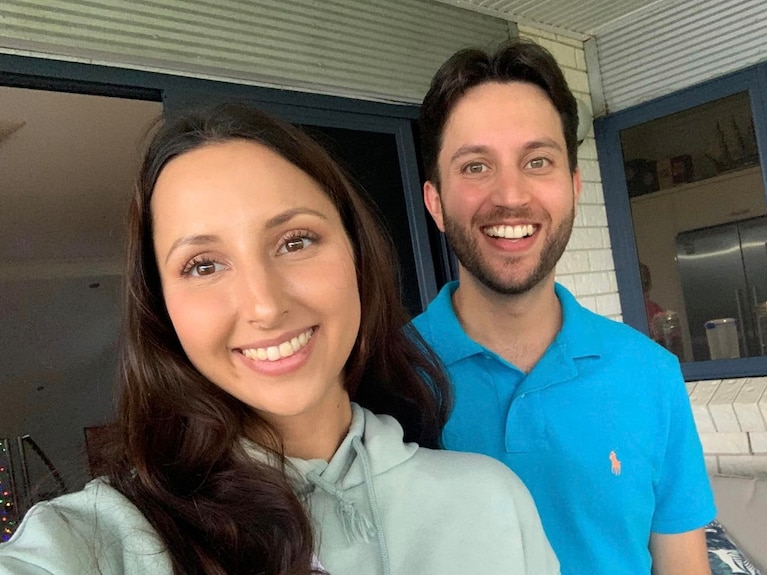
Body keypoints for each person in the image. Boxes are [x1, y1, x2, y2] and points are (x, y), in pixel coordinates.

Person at [0, 103, 559, 575]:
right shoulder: (103, 541)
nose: (265, 306)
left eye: (295, 241)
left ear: (356, 255)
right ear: (163, 309)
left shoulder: (492, 501)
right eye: (202, 266)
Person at [412, 40, 716, 575]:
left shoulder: (652, 375)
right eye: (476, 165)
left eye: (537, 161)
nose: (511, 195)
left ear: (573, 188)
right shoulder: (379, 379)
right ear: (435, 201)